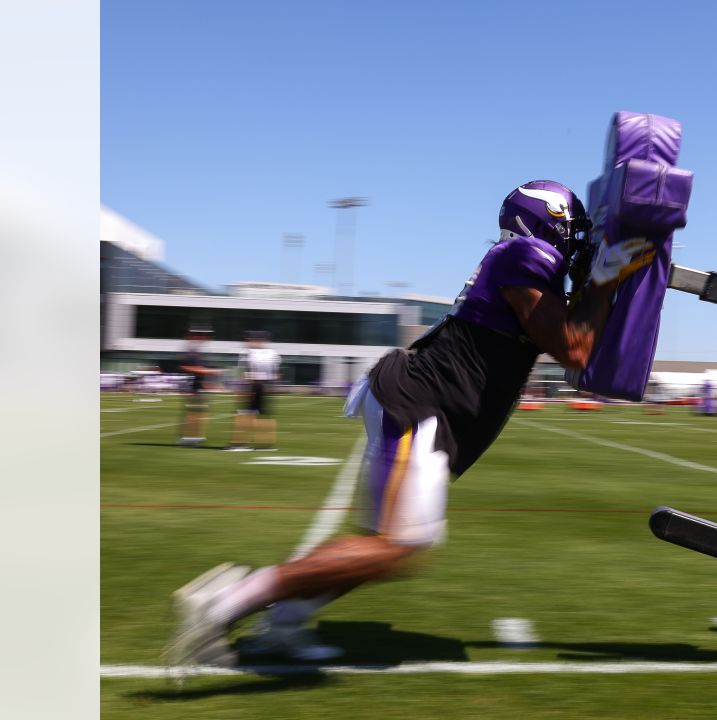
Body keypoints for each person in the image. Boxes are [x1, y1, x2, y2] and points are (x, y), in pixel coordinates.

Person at [167, 180, 655, 666]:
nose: (576, 243)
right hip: (421, 403)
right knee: (397, 543)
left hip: (431, 406)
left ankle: (284, 621)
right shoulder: (525, 254)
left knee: (391, 541)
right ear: (547, 222)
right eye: (573, 230)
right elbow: (573, 347)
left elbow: (578, 338)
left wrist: (603, 283)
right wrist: (605, 280)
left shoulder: (523, 262)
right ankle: (224, 604)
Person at [226, 331, 281, 452]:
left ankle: (239, 444)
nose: (246, 342)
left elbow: (245, 372)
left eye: (248, 339)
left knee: (242, 414)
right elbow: (276, 374)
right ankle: (265, 445)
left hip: (252, 385)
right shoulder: (273, 353)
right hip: (265, 386)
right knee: (263, 414)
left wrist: (245, 390)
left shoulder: (247, 353)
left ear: (256, 340)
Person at [177, 329, 221, 446]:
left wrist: (209, 377)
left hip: (199, 385)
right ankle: (187, 437)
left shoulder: (200, 351)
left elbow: (201, 369)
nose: (205, 338)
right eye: (201, 336)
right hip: (192, 385)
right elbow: (185, 367)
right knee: (193, 412)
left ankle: (195, 436)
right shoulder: (190, 351)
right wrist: (207, 372)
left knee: (201, 412)